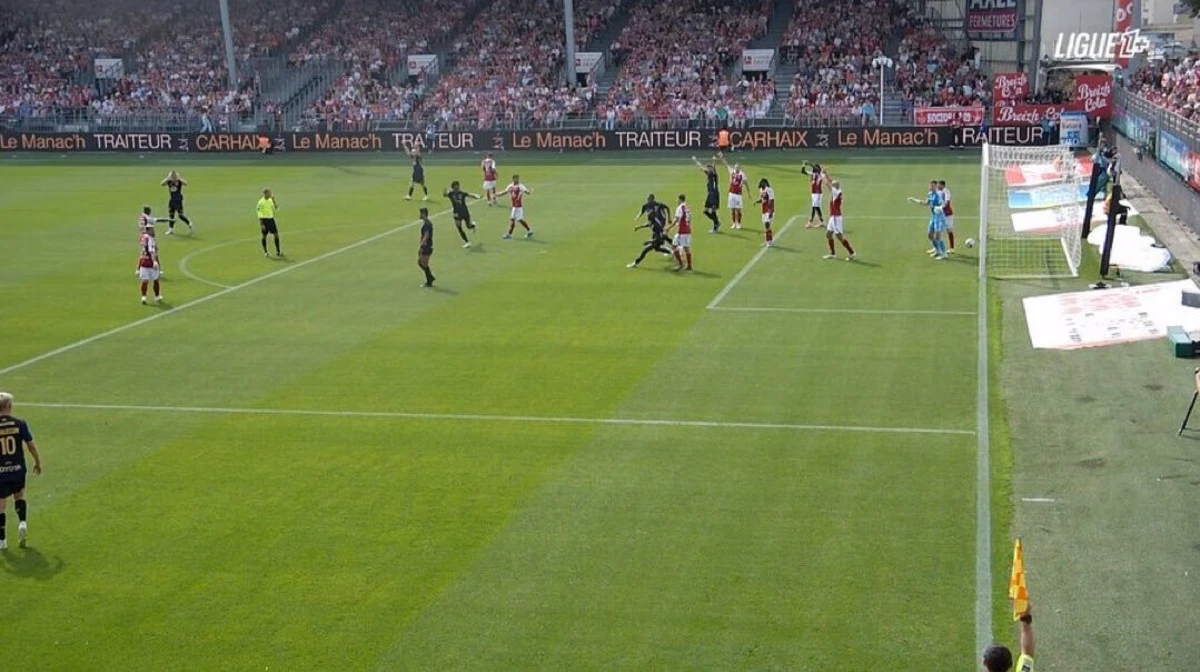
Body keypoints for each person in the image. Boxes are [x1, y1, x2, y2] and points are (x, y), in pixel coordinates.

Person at [0, 392, 43, 550]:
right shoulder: (19, 423)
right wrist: (37, 462)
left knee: (1, 504)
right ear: (9, 406)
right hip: (18, 469)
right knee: (20, 495)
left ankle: (2, 542)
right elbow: (31, 445)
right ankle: (22, 522)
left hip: (0, 471)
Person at [627, 194, 673, 268]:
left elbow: (657, 239)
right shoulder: (653, 221)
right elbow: (648, 224)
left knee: (646, 250)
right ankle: (672, 252)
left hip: (659, 239)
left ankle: (635, 263)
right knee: (657, 249)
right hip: (659, 237)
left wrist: (649, 241)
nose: (648, 219)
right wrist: (639, 227)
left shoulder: (656, 225)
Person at [911, 180, 947, 260]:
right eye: (930, 185)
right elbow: (926, 203)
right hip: (933, 217)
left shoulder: (939, 194)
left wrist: (940, 208)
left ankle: (944, 253)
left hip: (939, 217)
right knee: (930, 235)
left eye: (933, 186)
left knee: (938, 236)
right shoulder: (930, 194)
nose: (931, 187)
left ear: (936, 186)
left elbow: (944, 203)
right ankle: (938, 251)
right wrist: (915, 200)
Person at [823, 179, 856, 261]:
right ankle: (832, 254)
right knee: (828, 234)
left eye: (833, 185)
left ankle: (852, 253)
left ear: (834, 187)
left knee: (839, 236)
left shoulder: (836, 192)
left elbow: (827, 184)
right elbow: (829, 183)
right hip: (833, 217)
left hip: (836, 217)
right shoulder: (837, 192)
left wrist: (822, 175)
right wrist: (825, 173)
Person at [444, 181, 481, 248]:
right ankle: (467, 242)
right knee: (459, 227)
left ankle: (473, 225)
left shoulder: (462, 193)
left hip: (465, 212)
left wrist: (476, 196)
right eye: (456, 187)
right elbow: (445, 195)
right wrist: (444, 192)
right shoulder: (451, 194)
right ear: (453, 188)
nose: (457, 188)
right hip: (456, 213)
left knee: (468, 226)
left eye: (458, 186)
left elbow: (469, 194)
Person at [690, 156, 722, 233]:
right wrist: (695, 160)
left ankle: (716, 225)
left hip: (713, 195)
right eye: (708, 168)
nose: (707, 169)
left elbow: (706, 168)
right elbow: (703, 167)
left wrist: (714, 161)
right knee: (707, 211)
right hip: (712, 194)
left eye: (709, 168)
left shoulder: (712, 174)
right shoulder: (711, 174)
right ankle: (717, 223)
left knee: (711, 211)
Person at [499, 175, 534, 239]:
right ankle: (530, 231)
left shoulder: (521, 186)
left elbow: (526, 192)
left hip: (518, 206)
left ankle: (509, 234)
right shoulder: (510, 186)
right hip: (514, 206)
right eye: (515, 179)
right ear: (513, 179)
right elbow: (505, 192)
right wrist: (498, 194)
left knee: (513, 219)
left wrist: (529, 191)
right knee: (520, 220)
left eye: (517, 179)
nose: (517, 180)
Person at [717, 153, 746, 230]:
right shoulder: (732, 172)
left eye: (737, 167)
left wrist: (749, 192)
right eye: (735, 167)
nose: (736, 168)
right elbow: (726, 164)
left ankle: (739, 223)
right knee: (732, 209)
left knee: (738, 209)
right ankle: (734, 223)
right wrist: (722, 157)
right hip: (731, 194)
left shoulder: (742, 174)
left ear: (739, 168)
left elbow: (746, 183)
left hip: (738, 194)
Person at [161, 171, 194, 235]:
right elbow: (162, 184)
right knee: (171, 215)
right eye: (172, 176)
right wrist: (167, 178)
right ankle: (171, 230)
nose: (173, 178)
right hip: (172, 201)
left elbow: (186, 183)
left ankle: (189, 223)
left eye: (174, 176)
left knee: (180, 215)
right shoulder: (169, 182)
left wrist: (178, 178)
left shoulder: (179, 182)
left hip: (178, 201)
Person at [137, 222, 163, 304]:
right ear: (148, 230)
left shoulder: (143, 237)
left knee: (144, 280)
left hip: (143, 262)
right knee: (156, 279)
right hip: (150, 262)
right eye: (152, 229)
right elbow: (152, 251)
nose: (154, 231)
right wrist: (154, 261)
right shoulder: (150, 239)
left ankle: (143, 297)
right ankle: (157, 296)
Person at [669, 193, 694, 272]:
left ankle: (681, 264)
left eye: (677, 199)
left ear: (680, 199)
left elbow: (676, 219)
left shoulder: (680, 207)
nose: (677, 201)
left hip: (681, 231)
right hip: (687, 230)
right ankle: (689, 266)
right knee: (686, 248)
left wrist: (668, 228)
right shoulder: (687, 207)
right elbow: (689, 218)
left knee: (674, 247)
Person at [256, 189, 283, 258]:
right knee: (264, 236)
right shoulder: (260, 202)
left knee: (276, 234)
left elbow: (276, 208)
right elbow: (259, 213)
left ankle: (278, 251)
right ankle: (265, 252)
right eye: (269, 193)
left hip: (271, 219)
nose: (270, 194)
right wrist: (262, 224)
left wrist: (273, 200)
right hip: (264, 220)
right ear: (265, 194)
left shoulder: (270, 200)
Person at [801, 161, 827, 228]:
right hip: (814, 193)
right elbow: (803, 171)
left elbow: (817, 169)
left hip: (817, 193)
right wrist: (803, 165)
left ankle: (810, 222)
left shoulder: (820, 174)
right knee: (817, 207)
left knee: (814, 207)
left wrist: (809, 164)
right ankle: (821, 222)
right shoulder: (812, 174)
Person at [417, 207, 436, 288]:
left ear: (424, 214)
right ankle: (430, 278)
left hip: (426, 247)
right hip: (427, 246)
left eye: (421, 213)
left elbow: (426, 236)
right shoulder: (427, 223)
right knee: (421, 263)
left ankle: (429, 280)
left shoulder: (427, 224)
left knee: (423, 264)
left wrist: (421, 246)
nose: (419, 215)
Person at [755, 178, 776, 247]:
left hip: (769, 210)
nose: (759, 184)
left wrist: (771, 211)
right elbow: (763, 199)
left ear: (764, 183)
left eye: (760, 183)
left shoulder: (769, 190)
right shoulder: (761, 190)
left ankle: (769, 242)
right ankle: (768, 240)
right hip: (763, 210)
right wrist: (757, 201)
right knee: (766, 226)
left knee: (767, 224)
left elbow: (772, 200)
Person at [938, 180, 955, 252]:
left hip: (947, 214)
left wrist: (940, 207)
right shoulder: (940, 192)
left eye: (939, 185)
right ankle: (937, 248)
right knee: (938, 230)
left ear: (942, 185)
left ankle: (951, 248)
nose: (938, 186)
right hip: (941, 214)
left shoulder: (946, 192)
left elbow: (946, 203)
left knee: (949, 230)